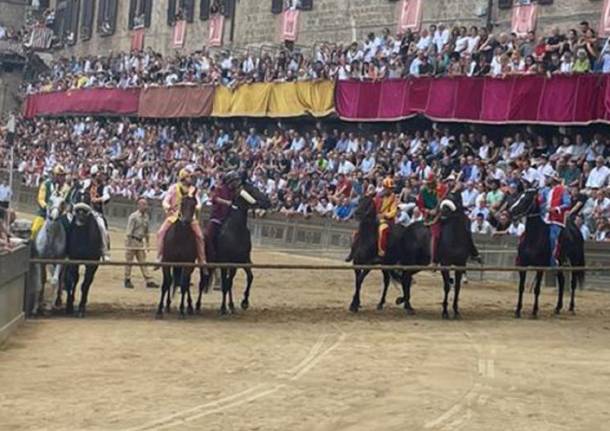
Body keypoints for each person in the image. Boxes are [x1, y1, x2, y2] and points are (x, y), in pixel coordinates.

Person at [157, 169, 206, 264]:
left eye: (190, 177)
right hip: (174, 216)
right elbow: (165, 201)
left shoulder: (193, 189)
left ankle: (201, 259)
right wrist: (168, 206)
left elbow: (198, 202)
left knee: (200, 236)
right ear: (183, 178)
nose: (190, 179)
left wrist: (196, 207)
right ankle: (160, 256)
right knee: (160, 233)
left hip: (190, 217)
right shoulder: (174, 188)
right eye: (188, 177)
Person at [204, 171, 242, 262]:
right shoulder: (219, 188)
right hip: (217, 217)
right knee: (207, 236)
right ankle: (207, 255)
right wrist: (226, 202)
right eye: (235, 181)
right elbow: (214, 198)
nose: (236, 183)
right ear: (230, 181)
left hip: (228, 218)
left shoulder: (234, 192)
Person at [124, 198, 158, 289]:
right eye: (143, 204)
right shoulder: (133, 216)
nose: (145, 206)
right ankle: (127, 279)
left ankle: (148, 280)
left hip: (140, 242)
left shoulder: (146, 217)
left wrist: (147, 243)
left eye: (146, 204)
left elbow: (146, 231)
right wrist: (128, 244)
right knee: (129, 262)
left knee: (143, 261)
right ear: (139, 205)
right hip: (132, 240)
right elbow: (129, 231)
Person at [31, 165, 69, 239]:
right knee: (35, 229)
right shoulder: (45, 184)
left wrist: (63, 211)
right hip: (44, 213)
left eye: (63, 175)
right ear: (54, 176)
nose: (62, 177)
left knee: (68, 228)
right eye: (59, 175)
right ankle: (31, 244)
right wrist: (47, 207)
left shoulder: (67, 188)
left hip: (60, 215)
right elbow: (41, 199)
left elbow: (66, 202)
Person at [541, 171, 571, 265]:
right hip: (544, 218)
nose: (546, 179)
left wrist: (556, 208)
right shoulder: (544, 190)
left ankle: (553, 261)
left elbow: (567, 203)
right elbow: (540, 201)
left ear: (553, 179)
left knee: (552, 238)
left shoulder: (562, 190)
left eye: (548, 177)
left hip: (556, 220)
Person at [85, 165, 111, 259]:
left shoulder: (104, 187)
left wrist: (97, 199)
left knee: (102, 228)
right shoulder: (86, 183)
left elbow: (107, 196)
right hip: (84, 210)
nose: (102, 177)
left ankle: (104, 251)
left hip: (96, 213)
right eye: (100, 174)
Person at [375, 177, 398, 257]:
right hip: (376, 218)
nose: (391, 190)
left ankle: (382, 251)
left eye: (392, 188)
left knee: (382, 229)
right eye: (389, 188)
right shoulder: (378, 196)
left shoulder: (393, 197)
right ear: (385, 188)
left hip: (388, 220)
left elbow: (394, 211)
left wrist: (384, 215)